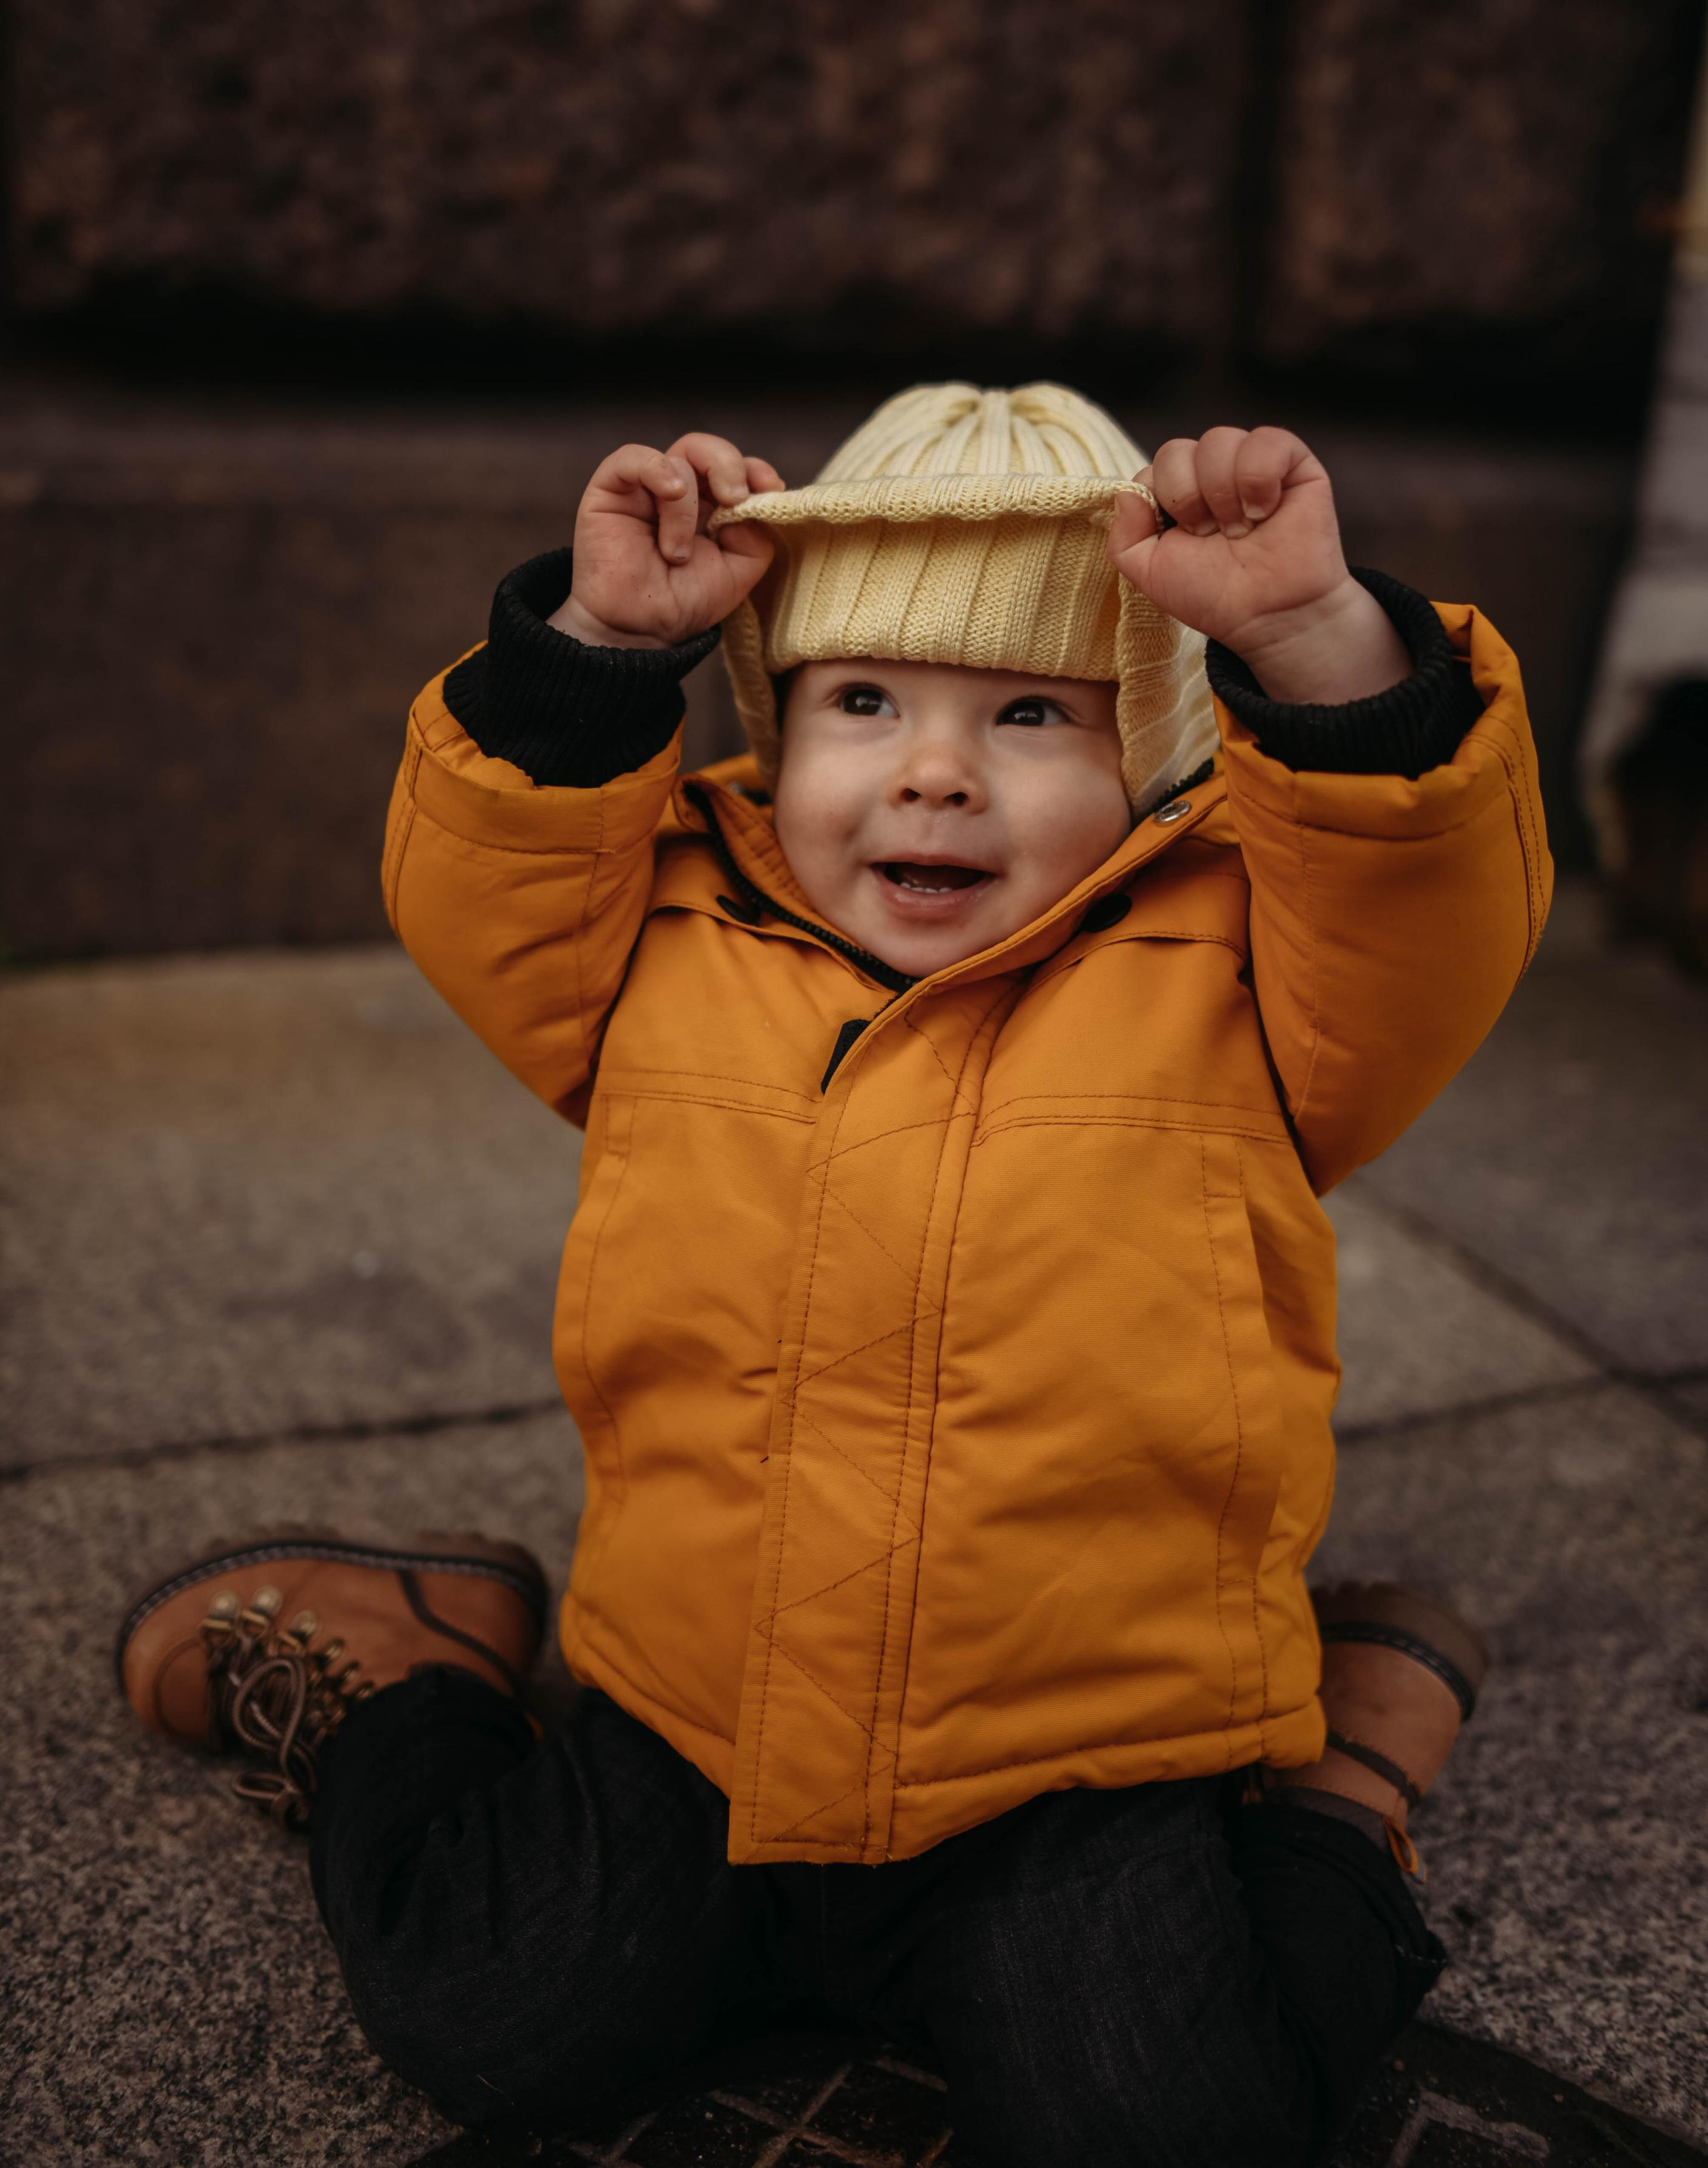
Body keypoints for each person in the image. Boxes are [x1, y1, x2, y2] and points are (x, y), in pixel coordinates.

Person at [117, 384, 1545, 2167]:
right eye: (861, 702)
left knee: (1178, 2125)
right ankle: (409, 1669)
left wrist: (1320, 643)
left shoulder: (1256, 965)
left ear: (1155, 762)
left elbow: (1422, 899)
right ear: (772, 735)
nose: (933, 768)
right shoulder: (660, 925)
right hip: (696, 1715)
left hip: (1081, 1752)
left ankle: (1340, 1783)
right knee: (492, 2015)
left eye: (1030, 711)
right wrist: (601, 647)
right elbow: (489, 878)